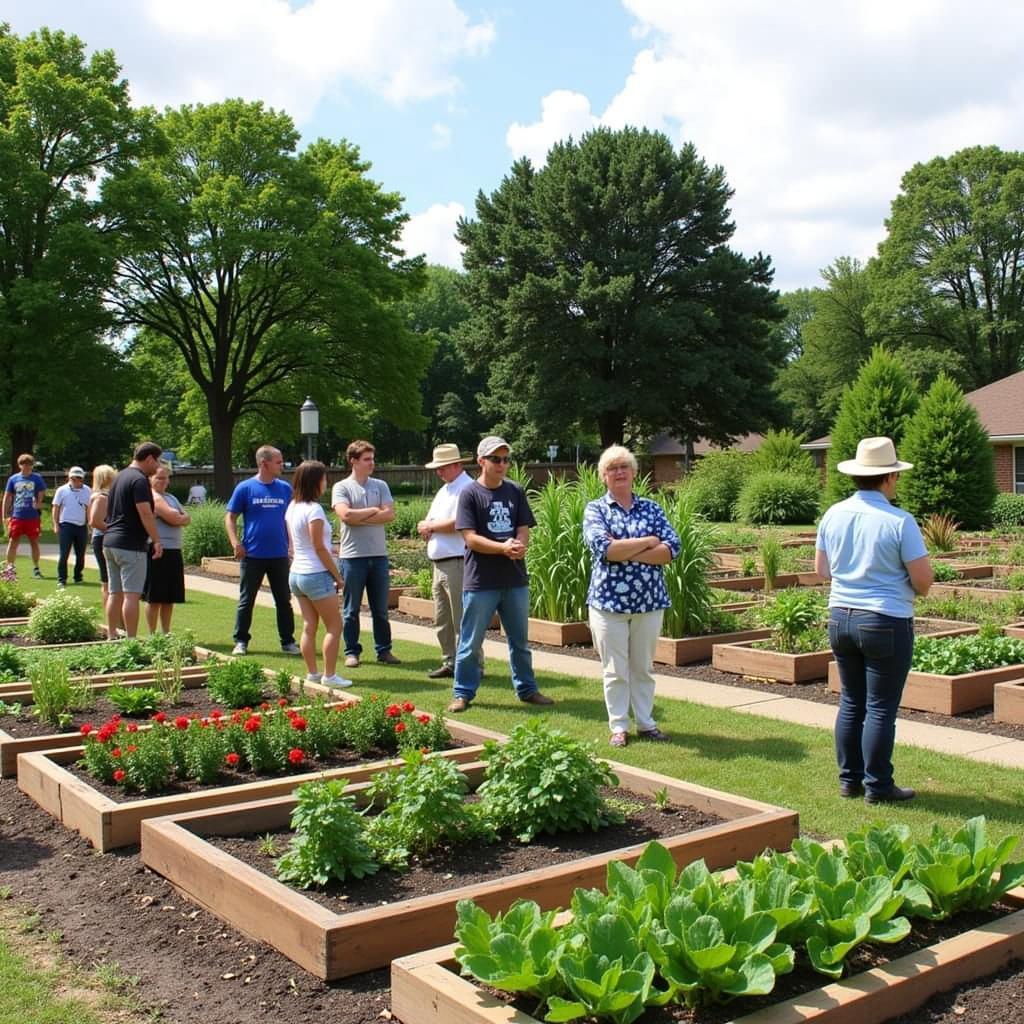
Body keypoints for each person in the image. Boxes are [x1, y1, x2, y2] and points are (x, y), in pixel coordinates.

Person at [815, 436, 934, 805]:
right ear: (889, 478)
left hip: (840, 618)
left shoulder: (833, 514)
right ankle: (878, 786)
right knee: (881, 707)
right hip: (885, 619)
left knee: (852, 702)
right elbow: (924, 580)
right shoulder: (899, 521)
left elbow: (823, 570)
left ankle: (850, 781)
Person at [447, 436, 554, 713]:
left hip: (515, 579)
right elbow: (469, 538)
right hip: (481, 581)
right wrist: (503, 547)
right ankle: (462, 693)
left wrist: (520, 545)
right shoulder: (469, 494)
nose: (502, 464)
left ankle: (527, 690)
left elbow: (523, 526)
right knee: (471, 642)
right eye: (496, 459)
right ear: (481, 461)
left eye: (506, 459)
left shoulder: (515, 491)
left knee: (520, 642)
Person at [583, 445, 680, 747]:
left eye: (624, 466)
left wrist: (627, 548)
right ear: (603, 476)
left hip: (649, 602)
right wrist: (649, 542)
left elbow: (671, 550)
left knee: (642, 667)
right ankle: (619, 727)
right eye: (612, 468)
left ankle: (646, 724)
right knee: (615, 670)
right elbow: (605, 550)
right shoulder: (595, 509)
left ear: (635, 473)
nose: (619, 472)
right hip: (607, 603)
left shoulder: (652, 507)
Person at [417, 443, 485, 679]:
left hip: (458, 561)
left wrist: (430, 526)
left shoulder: (467, 488)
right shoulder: (445, 490)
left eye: (442, 467)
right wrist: (426, 527)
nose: (439, 471)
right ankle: (450, 662)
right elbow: (433, 520)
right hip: (440, 562)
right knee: (442, 618)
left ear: (457, 465)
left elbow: (460, 523)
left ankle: (473, 665)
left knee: (462, 619)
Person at [225, 445, 299, 656]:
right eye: (278, 461)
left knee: (284, 600)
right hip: (253, 555)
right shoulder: (245, 488)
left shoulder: (285, 489)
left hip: (279, 555)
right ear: (264, 463)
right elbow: (230, 516)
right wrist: (235, 543)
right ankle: (241, 641)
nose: (282, 465)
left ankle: (288, 642)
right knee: (247, 600)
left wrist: (293, 546)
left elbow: (293, 518)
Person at [332, 439, 399, 669]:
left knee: (380, 609)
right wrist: (373, 510)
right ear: (353, 461)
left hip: (378, 556)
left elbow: (390, 515)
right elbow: (346, 517)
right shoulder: (341, 487)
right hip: (352, 557)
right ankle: (352, 652)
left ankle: (384, 650)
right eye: (367, 459)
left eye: (372, 458)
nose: (372, 463)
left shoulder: (380, 485)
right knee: (351, 609)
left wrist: (359, 515)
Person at [285, 460, 350, 687]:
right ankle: (329, 676)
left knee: (308, 625)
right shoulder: (314, 509)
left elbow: (297, 543)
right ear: (316, 481)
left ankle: (312, 673)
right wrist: (338, 576)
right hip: (315, 573)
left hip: (296, 574)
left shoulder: (292, 506)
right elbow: (318, 547)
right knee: (334, 625)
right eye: (324, 478)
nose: (326, 482)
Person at [103, 442, 165, 639]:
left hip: (110, 542)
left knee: (115, 593)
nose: (158, 466)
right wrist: (156, 539)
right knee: (132, 595)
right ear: (149, 459)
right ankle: (131, 640)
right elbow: (145, 512)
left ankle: (112, 635)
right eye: (158, 461)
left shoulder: (119, 477)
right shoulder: (139, 480)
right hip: (130, 544)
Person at [144, 461, 190, 634]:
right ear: (150, 479)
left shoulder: (171, 497)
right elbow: (176, 518)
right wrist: (178, 517)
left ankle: (166, 632)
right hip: (157, 549)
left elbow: (187, 518)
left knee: (169, 597)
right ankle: (152, 634)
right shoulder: (152, 497)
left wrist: (179, 517)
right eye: (159, 478)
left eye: (166, 478)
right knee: (154, 596)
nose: (164, 481)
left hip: (174, 550)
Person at [3, 453, 46, 579]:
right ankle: (10, 568)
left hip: (32, 517)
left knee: (34, 542)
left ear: (32, 465)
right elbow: (8, 496)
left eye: (29, 464)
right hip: (17, 515)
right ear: (19, 465)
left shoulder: (36, 478)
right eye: (23, 464)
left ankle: (36, 568)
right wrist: (4, 515)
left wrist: (38, 502)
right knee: (13, 541)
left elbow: (42, 490)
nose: (26, 467)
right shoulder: (14, 479)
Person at [88, 465, 116, 615]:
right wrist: (115, 531)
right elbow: (94, 521)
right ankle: (112, 616)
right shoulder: (101, 497)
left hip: (100, 537)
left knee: (107, 581)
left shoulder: (96, 496)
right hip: (103, 538)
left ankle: (112, 616)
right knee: (108, 581)